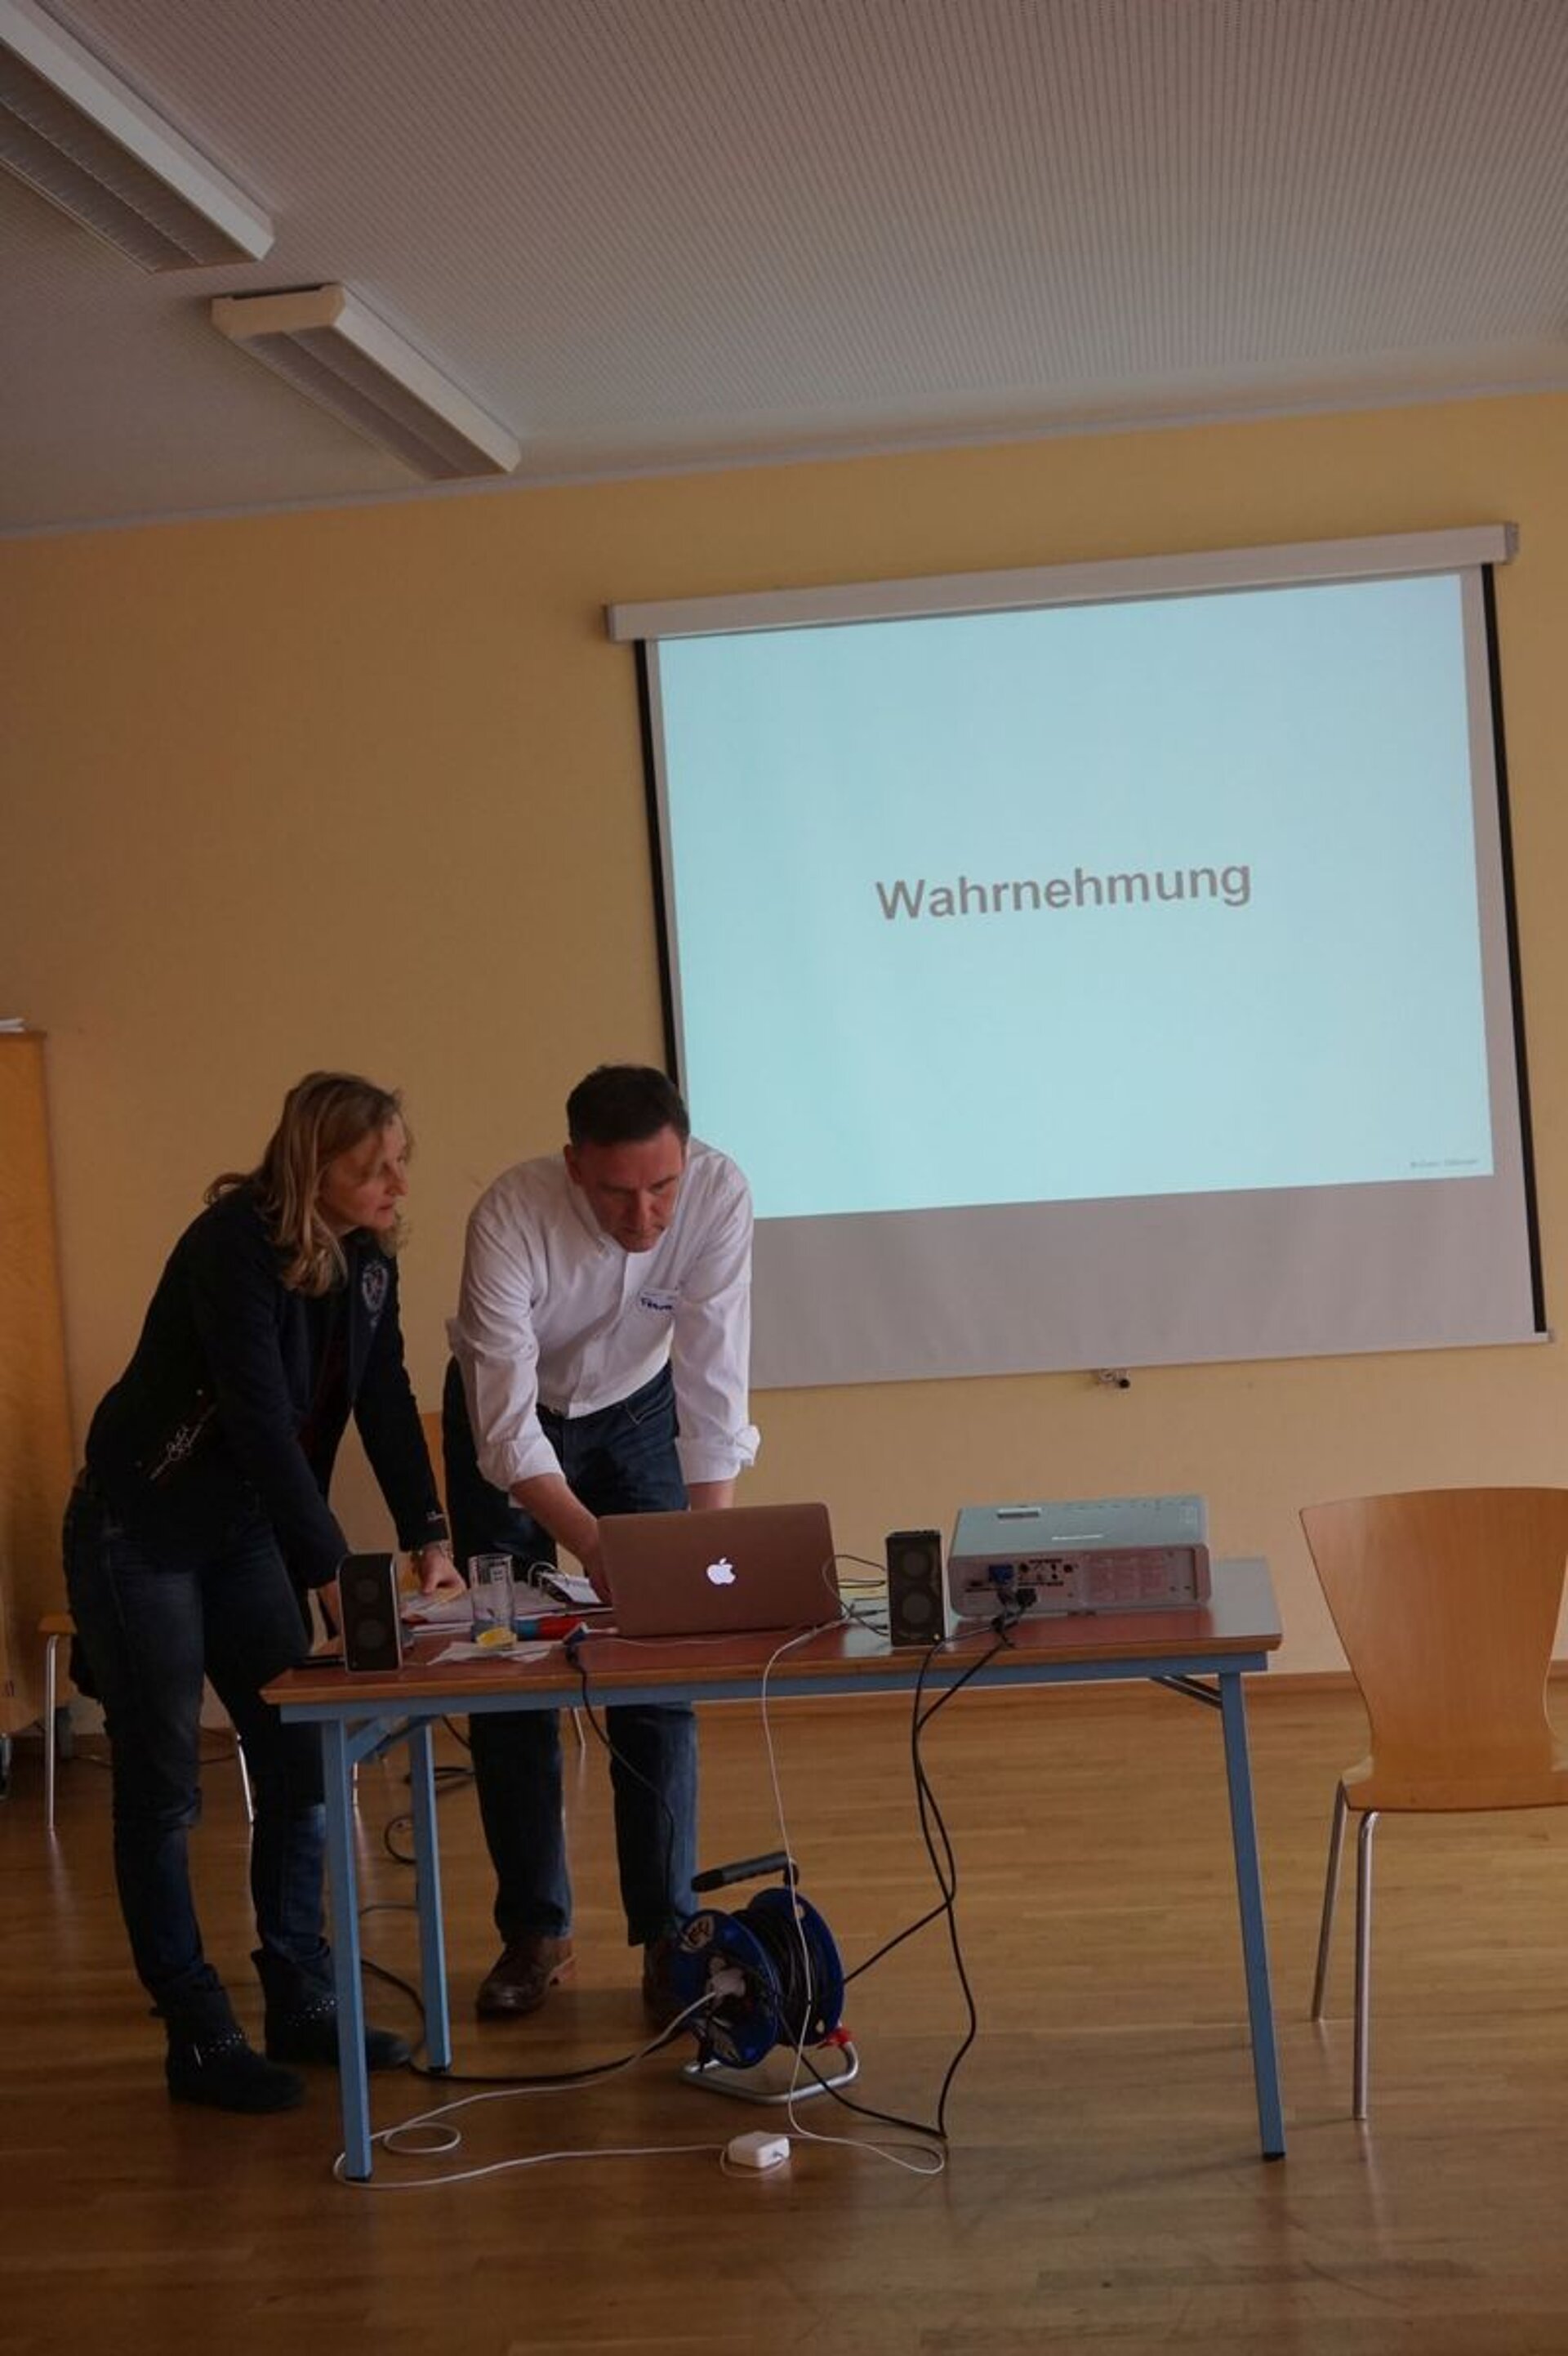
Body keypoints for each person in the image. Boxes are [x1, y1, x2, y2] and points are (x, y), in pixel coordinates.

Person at [64, 1071, 467, 2114]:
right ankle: (196, 2029)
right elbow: (256, 1417)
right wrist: (329, 1570)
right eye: (372, 1168)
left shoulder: (369, 1259)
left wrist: (428, 1532)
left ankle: (301, 1991)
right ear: (311, 1166)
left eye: (400, 1162)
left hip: (241, 1529)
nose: (396, 1184)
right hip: (142, 1528)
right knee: (164, 1784)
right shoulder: (230, 1248)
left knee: (298, 1760)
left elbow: (384, 1396)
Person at [443, 1064, 759, 2020]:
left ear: (686, 1157)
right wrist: (591, 1542)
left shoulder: (720, 1193)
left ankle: (668, 1935)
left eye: (663, 1185)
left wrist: (703, 1552)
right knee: (507, 1673)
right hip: (512, 1424)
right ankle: (536, 1931)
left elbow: (714, 1377)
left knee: (658, 1670)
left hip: (636, 1410)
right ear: (574, 1163)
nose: (646, 1214)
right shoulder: (510, 1217)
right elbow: (506, 1434)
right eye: (619, 1192)